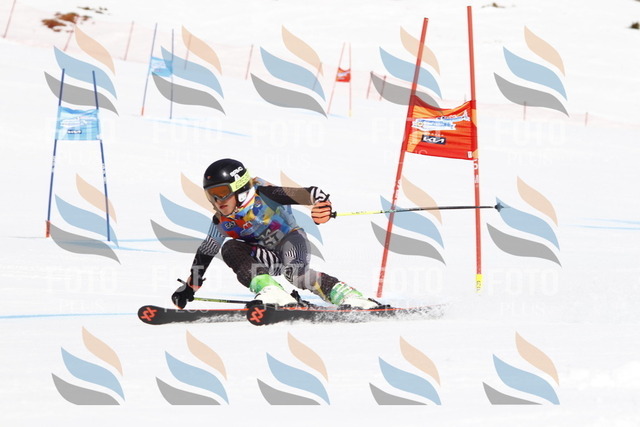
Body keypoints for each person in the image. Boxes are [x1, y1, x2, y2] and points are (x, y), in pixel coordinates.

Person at [171, 158, 382, 310]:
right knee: (229, 248)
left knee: (296, 275)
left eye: (222, 193)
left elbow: (310, 193)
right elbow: (206, 251)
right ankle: (272, 291)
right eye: (211, 195)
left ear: (239, 188)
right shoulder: (221, 221)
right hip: (265, 257)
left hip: (290, 241)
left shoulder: (264, 194)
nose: (218, 202)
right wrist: (191, 286)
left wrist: (322, 206)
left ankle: (350, 296)